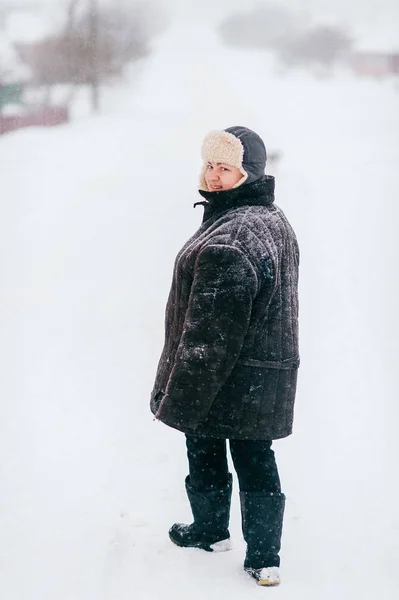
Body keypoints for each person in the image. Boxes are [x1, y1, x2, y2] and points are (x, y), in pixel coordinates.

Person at [150, 126, 299, 586]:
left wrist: (183, 397)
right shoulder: (269, 219)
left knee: (206, 444)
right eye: (209, 164)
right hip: (264, 372)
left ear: (247, 172)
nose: (213, 176)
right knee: (255, 456)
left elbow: (210, 336)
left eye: (225, 167)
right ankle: (262, 555)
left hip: (227, 374)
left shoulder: (230, 237)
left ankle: (213, 531)